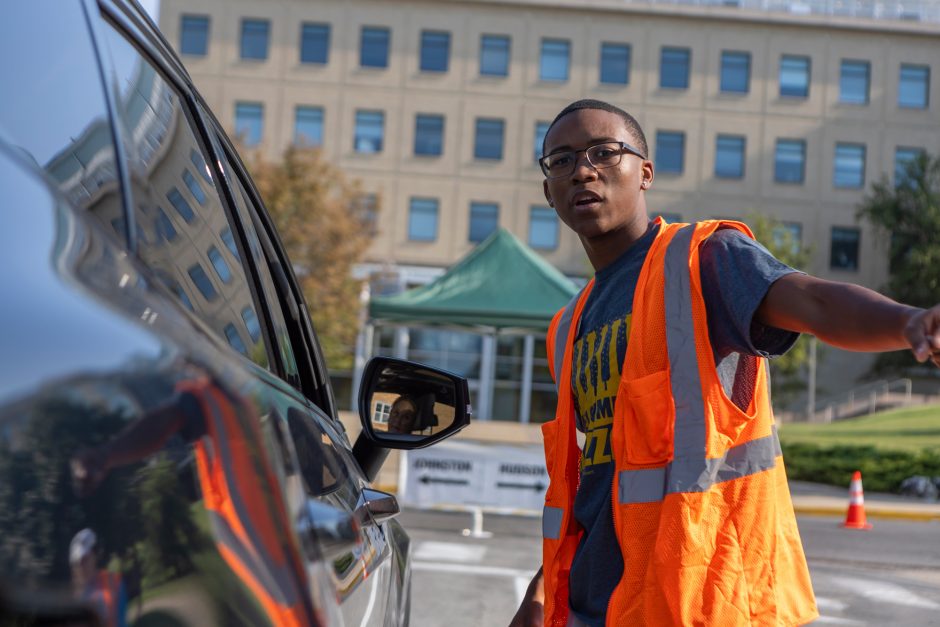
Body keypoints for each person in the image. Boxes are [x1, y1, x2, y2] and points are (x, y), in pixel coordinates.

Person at [510, 99, 940, 627]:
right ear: (548, 192)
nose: (582, 169)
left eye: (605, 152)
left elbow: (815, 301)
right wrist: (540, 592)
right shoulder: (569, 325)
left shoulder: (702, 260)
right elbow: (598, 481)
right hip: (597, 606)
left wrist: (908, 323)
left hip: (705, 605)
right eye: (561, 160)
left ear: (644, 173)